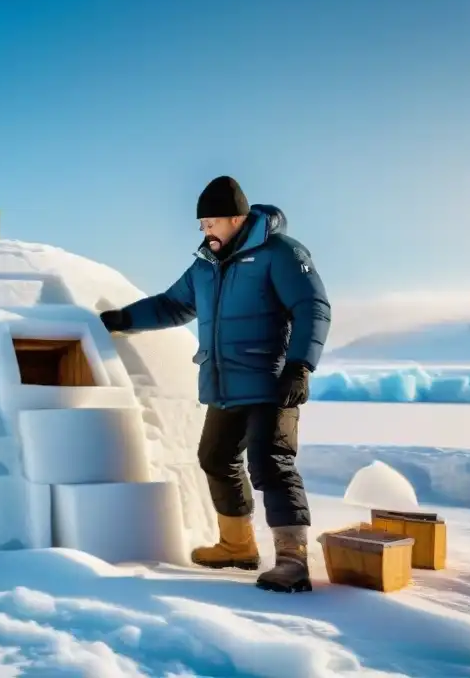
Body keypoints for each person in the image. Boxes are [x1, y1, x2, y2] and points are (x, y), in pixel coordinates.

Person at [99, 176, 331, 593]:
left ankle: (293, 560)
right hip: (225, 384)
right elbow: (172, 305)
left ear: (236, 218)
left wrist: (300, 366)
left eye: (211, 223)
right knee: (216, 457)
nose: (205, 232)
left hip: (271, 382)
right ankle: (237, 546)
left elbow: (312, 307)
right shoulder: (205, 265)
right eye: (202, 225)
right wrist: (124, 319)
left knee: (271, 463)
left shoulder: (281, 252)